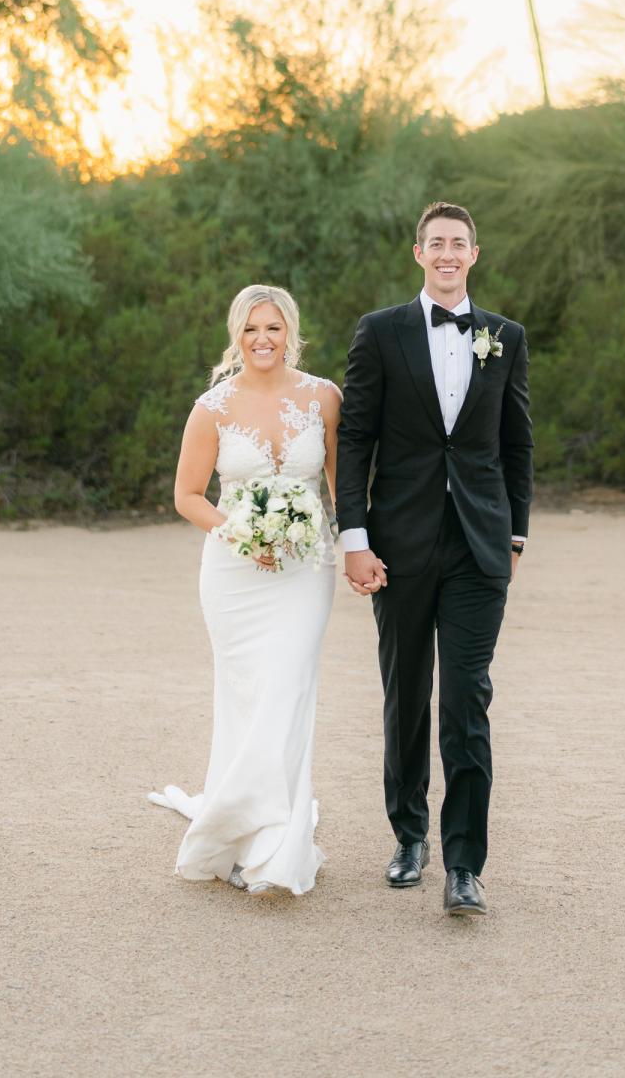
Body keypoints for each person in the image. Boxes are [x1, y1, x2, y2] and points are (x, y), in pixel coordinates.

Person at [336, 201, 533, 916]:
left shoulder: (505, 337)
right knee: (407, 692)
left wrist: (516, 535)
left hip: (480, 544)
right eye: (436, 243)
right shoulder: (380, 332)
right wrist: (354, 539)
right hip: (400, 542)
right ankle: (409, 835)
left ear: (474, 254)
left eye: (459, 244)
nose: (448, 254)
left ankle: (464, 864)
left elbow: (516, 445)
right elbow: (355, 439)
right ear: (417, 252)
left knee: (467, 698)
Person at [147, 285, 339, 896]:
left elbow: (345, 489)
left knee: (289, 687)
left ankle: (275, 838)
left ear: (292, 333)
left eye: (274, 329)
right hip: (235, 574)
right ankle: (243, 832)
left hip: (306, 571)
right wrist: (242, 532)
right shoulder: (213, 407)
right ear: (238, 334)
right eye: (252, 328)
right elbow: (186, 496)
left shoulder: (323, 399)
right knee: (248, 697)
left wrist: (361, 544)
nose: (263, 339)